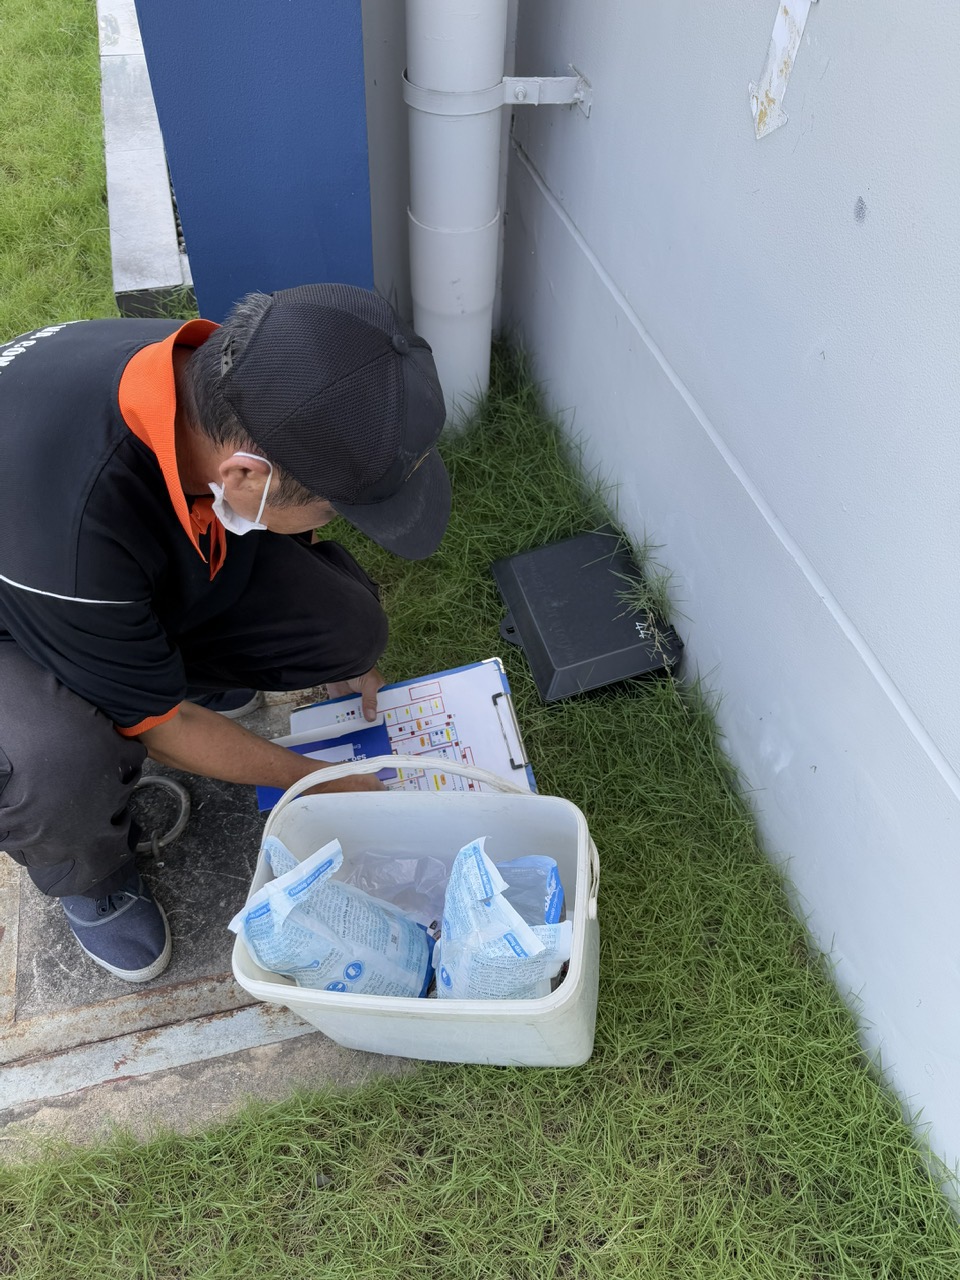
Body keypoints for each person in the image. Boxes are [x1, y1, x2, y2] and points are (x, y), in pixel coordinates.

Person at [0, 283, 450, 983]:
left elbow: (277, 520)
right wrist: (314, 781)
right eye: (332, 510)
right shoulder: (73, 537)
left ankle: (162, 661)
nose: (332, 524)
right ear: (244, 474)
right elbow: (163, 726)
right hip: (21, 594)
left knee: (347, 628)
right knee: (58, 760)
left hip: (99, 549)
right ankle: (91, 877)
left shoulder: (228, 373)